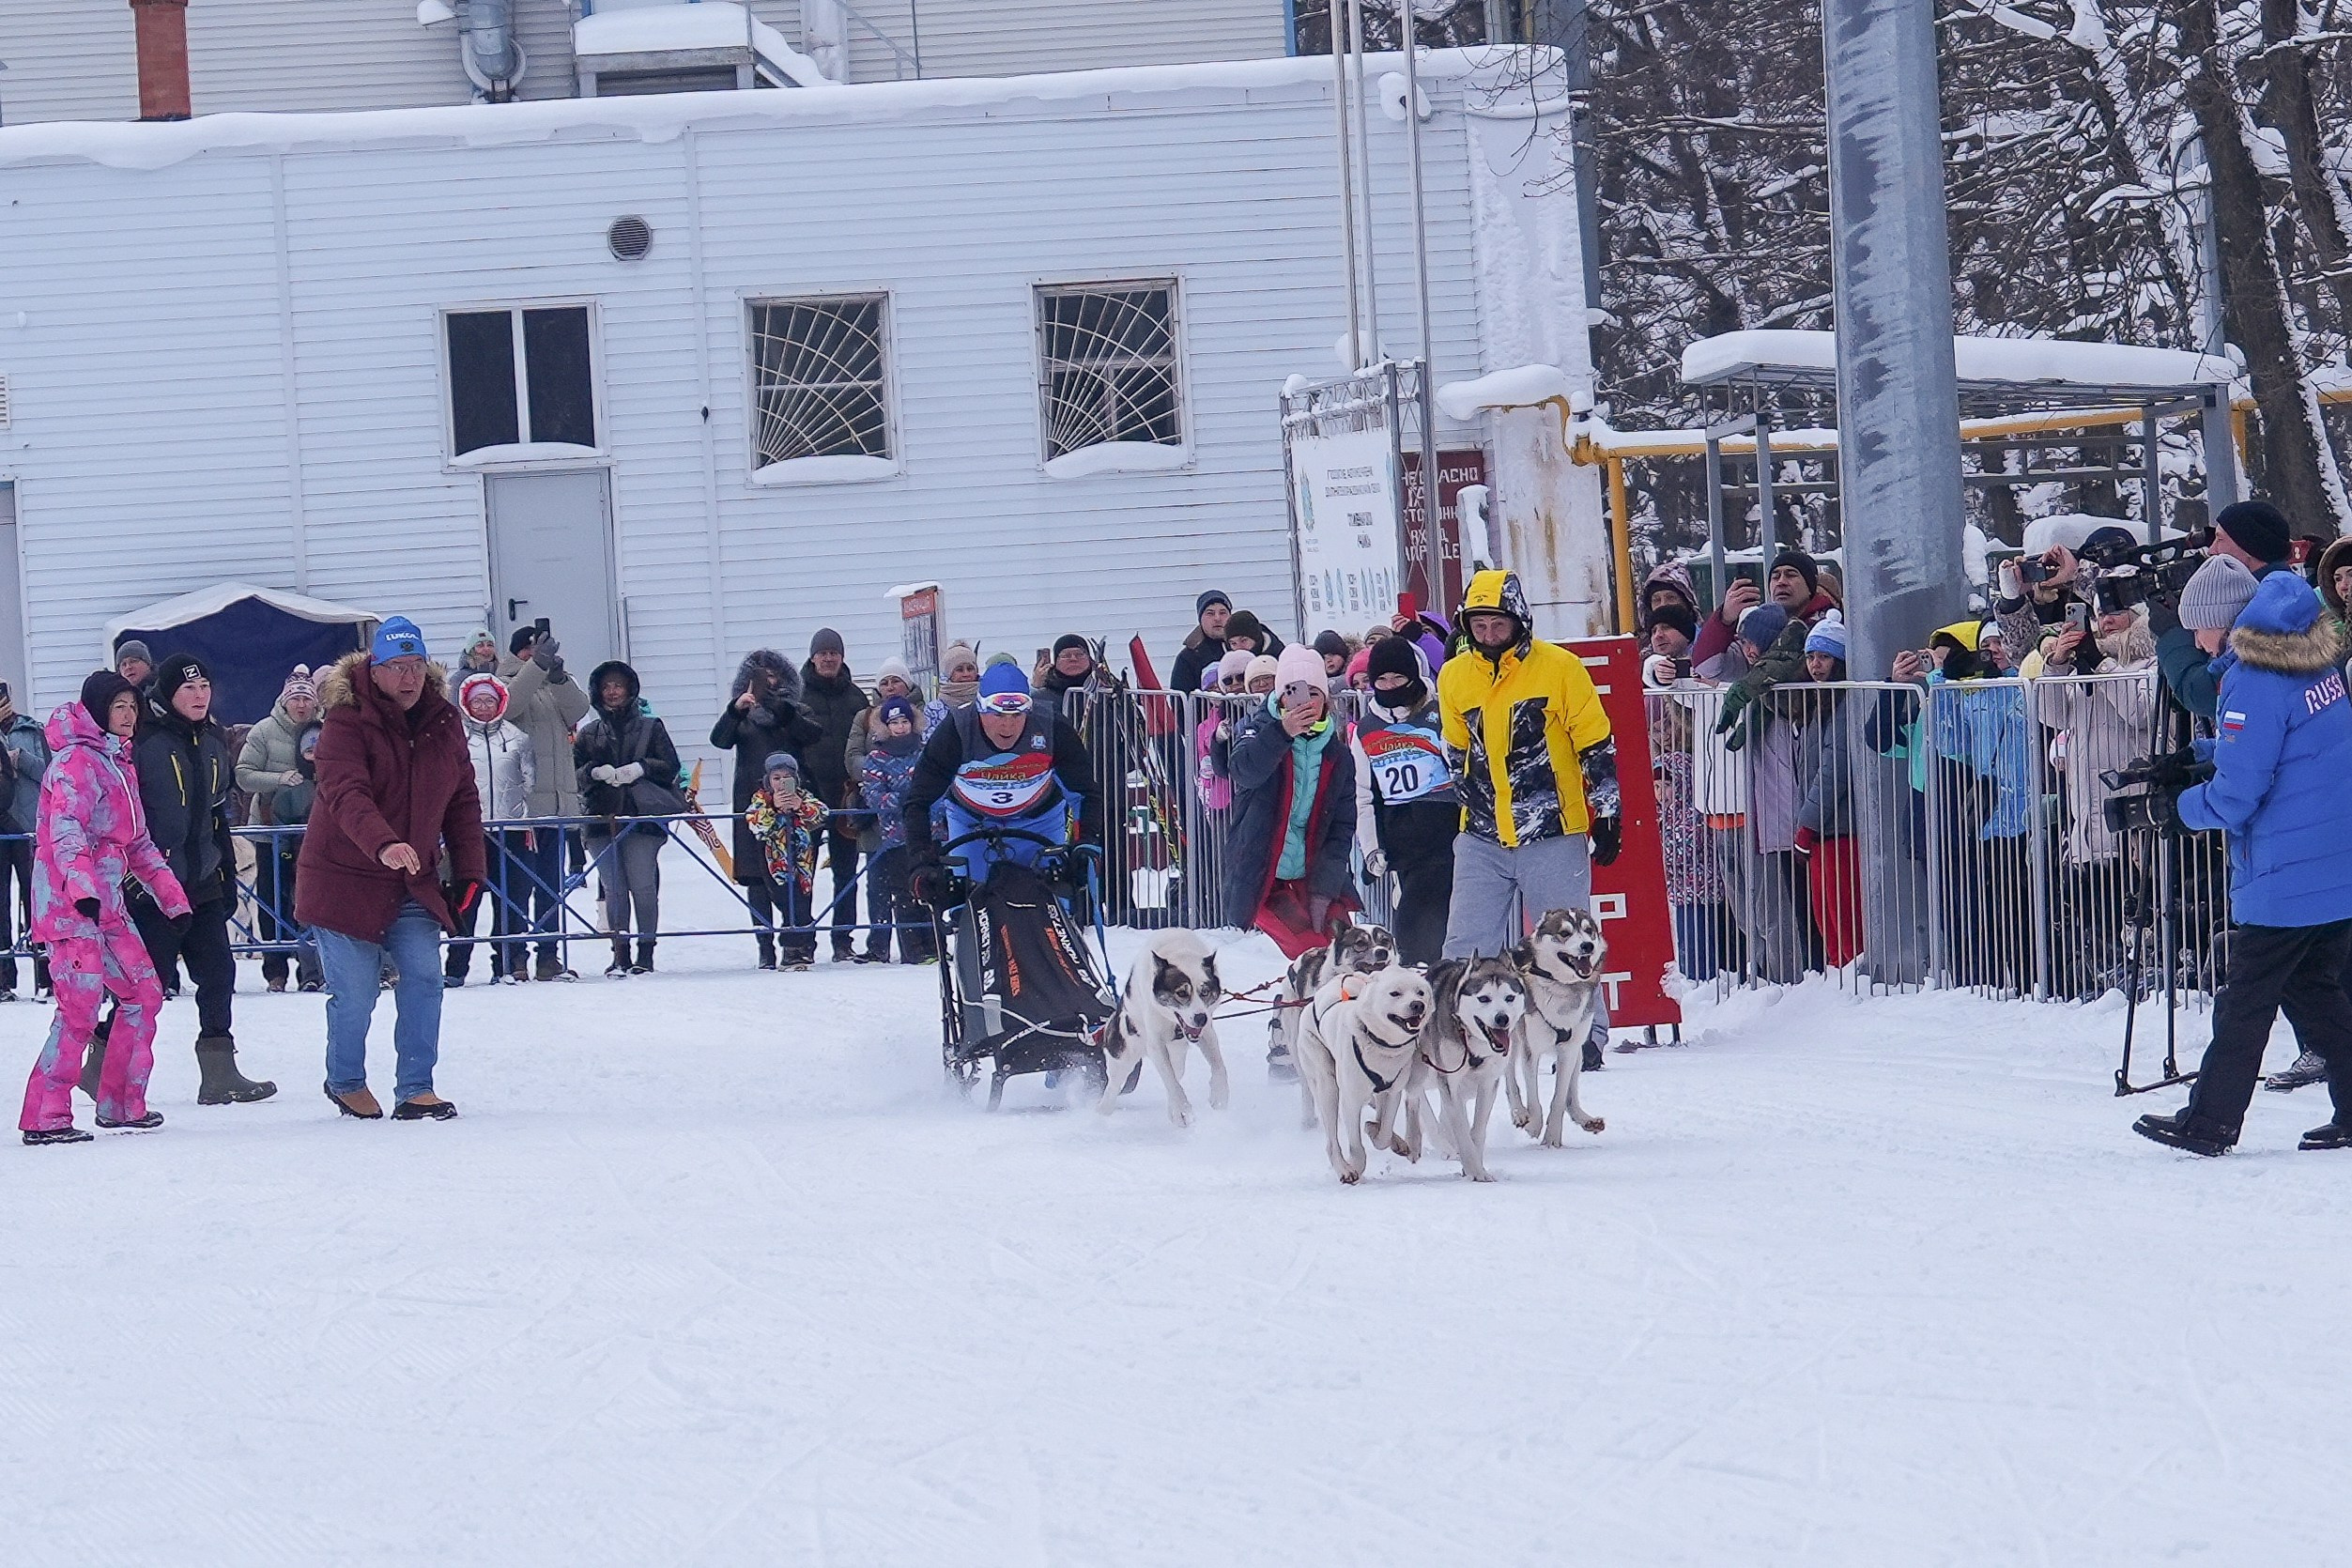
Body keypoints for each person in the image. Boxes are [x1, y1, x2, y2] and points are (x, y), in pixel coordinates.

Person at [2131, 570, 2352, 1155]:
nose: (2195, 640)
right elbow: (2290, 742)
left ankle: (2210, 1122)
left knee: (2244, 1002)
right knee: (2317, 992)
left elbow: (2236, 798)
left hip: (2286, 869)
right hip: (2334, 861)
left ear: (2223, 623)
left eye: (2197, 626)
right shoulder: (2308, 658)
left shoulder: (2253, 680)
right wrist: (2197, 755)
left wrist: (2172, 810)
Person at [300, 617, 484, 1121]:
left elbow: (462, 800)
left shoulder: (444, 722)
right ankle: (346, 1080)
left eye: (417, 666)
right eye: (398, 666)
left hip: (412, 879)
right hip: (343, 879)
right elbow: (344, 792)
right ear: (374, 670)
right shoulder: (344, 721)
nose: (409, 677)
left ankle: (416, 1087)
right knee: (356, 992)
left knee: (425, 977)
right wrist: (382, 844)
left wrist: (470, 872)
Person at [17, 675, 193, 1143]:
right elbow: (66, 833)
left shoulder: (119, 760)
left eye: (132, 705)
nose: (128, 714)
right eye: (118, 706)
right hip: (70, 907)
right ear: (97, 710)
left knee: (144, 993)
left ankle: (121, 1103)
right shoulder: (74, 762)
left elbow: (136, 841)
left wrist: (172, 898)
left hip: (108, 905)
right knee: (79, 1008)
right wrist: (82, 890)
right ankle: (45, 1115)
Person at [1438, 569, 1619, 962]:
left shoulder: (1560, 667)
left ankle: (1589, 1028)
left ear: (1519, 621)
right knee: (1463, 953)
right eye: (1479, 626)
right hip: (1482, 835)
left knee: (1568, 955)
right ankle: (1463, 1026)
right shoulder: (1453, 674)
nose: (1488, 636)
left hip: (1551, 833)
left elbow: (1595, 744)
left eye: (1498, 625)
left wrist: (1607, 811)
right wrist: (1460, 792)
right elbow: (1454, 747)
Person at [128, 653, 276, 1105]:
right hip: (152, 886)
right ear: (168, 694)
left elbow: (217, 814)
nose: (199, 695)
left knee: (218, 976)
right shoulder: (143, 739)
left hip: (204, 880)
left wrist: (225, 871)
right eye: (188, 689)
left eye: (204, 687)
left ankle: (219, 1073)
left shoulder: (213, 737)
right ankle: (105, 1068)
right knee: (145, 986)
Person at [2033, 601, 2158, 1000]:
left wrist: (2099, 667)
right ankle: (2109, 981)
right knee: (2096, 907)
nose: (2106, 620)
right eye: (2101, 613)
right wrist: (2057, 664)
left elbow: (2142, 714)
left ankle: (2151, 979)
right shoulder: (2085, 665)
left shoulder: (2150, 663)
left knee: (2142, 907)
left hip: (2136, 810)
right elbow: (2051, 716)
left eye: (2117, 612)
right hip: (2087, 812)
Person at [906, 662, 1099, 895]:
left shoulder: (1053, 726)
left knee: (1055, 911)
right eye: (997, 714)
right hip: (973, 829)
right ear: (979, 708)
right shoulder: (955, 731)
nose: (1008, 725)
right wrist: (921, 860)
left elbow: (1085, 792)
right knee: (969, 908)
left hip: (1041, 826)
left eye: (1018, 714)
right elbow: (918, 800)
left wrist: (1086, 843)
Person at [1224, 644, 1359, 961]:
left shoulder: (1337, 754)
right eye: (1294, 692)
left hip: (1315, 874)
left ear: (1326, 698)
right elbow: (1243, 771)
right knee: (1312, 955)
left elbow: (1342, 827)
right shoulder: (1257, 729)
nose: (1305, 702)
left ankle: (1321, 1010)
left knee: (1351, 955)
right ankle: (1297, 1008)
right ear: (1281, 697)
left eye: (1314, 692)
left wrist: (1324, 891)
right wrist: (1282, 732)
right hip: (1265, 877)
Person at [710, 648, 822, 970]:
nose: (767, 684)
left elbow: (812, 733)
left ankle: (798, 941)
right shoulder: (741, 716)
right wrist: (735, 711)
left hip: (790, 808)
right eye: (760, 678)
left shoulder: (794, 710)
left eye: (773, 676)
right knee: (756, 879)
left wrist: (779, 708)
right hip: (753, 806)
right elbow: (719, 740)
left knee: (794, 875)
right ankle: (764, 945)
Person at [1351, 635, 1455, 964]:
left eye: (1397, 677)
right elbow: (1362, 795)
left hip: (1446, 836)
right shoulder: (1366, 729)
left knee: (1428, 930)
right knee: (1413, 931)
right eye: (1381, 679)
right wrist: (1371, 850)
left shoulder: (1438, 714)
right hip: (1402, 847)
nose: (1390, 685)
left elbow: (1462, 768)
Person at [575, 659, 682, 977]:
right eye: (606, 687)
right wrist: (594, 772)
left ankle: (646, 953)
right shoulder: (589, 733)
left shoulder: (652, 727)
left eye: (617, 685)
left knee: (642, 884)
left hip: (641, 819)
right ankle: (620, 952)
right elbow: (574, 773)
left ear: (630, 689)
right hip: (600, 818)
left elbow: (671, 767)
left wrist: (642, 768)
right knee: (613, 887)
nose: (612, 692)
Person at [500, 625, 592, 981]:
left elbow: (578, 709)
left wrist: (557, 675)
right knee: (517, 887)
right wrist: (536, 668)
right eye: (532, 650)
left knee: (552, 886)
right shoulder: (503, 680)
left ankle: (549, 955)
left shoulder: (552, 681)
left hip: (556, 803)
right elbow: (508, 708)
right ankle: (514, 957)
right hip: (522, 807)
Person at [2153, 499, 2298, 720]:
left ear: (2250, 548)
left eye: (2220, 539)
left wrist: (2173, 634)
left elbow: (2205, 694)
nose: (2212, 550)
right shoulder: (2291, 594)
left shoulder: (2263, 611)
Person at [445, 672, 535, 987]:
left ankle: (510, 962)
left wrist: (522, 818)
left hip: (511, 829)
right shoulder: (455, 737)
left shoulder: (518, 738)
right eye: (478, 700)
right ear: (467, 703)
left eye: (489, 700)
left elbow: (529, 782)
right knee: (466, 900)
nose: (483, 706)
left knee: (512, 900)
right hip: (470, 831)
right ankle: (456, 965)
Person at [236, 666, 319, 993]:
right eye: (295, 699)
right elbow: (243, 774)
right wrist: (278, 779)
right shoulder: (263, 731)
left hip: (313, 828)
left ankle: (311, 969)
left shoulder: (321, 729)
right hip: (271, 828)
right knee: (272, 898)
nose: (301, 705)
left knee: (309, 897)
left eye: (307, 699)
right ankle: (275, 970)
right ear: (284, 702)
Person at [1791, 614, 1862, 969]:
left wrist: (1808, 821)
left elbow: (1835, 768)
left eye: (1824, 657)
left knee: (1844, 917)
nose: (1816, 665)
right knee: (1827, 918)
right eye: (1810, 657)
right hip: (1823, 831)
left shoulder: (1844, 704)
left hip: (1840, 829)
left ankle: (1854, 983)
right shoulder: (1815, 705)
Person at [800, 629, 871, 964]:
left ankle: (843, 938)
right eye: (823, 653)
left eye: (834, 653)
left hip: (846, 798)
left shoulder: (857, 698)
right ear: (812, 657)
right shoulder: (796, 695)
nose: (828, 659)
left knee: (846, 873)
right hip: (806, 798)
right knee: (804, 873)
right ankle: (802, 938)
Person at [858, 695, 933, 963]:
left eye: (904, 721)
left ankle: (934, 945)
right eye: (894, 722)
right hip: (897, 837)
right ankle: (912, 949)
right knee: (904, 892)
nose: (900, 727)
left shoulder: (926, 752)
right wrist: (905, 798)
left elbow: (940, 787)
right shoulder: (877, 759)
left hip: (930, 832)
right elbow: (874, 797)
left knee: (931, 887)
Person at [747, 753, 829, 969]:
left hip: (802, 860)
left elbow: (821, 814)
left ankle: (803, 946)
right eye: (776, 778)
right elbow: (756, 823)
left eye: (787, 777)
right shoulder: (761, 799)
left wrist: (800, 806)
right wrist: (774, 808)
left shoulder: (803, 795)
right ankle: (792, 947)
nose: (781, 783)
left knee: (802, 902)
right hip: (775, 861)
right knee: (787, 902)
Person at [0, 681, 53, 1002]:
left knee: (39, 901)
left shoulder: (31, 730)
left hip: (31, 827)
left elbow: (52, 771)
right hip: (1, 827)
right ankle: (4, 978)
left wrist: (22, 761)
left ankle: (47, 975)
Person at [1169, 590, 1233, 698]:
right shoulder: (1188, 657)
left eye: (1223, 613)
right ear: (1200, 619)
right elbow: (1180, 702)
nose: (1217, 618)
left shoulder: (1245, 646)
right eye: (1210, 613)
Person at [927, 642, 981, 733]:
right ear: (949, 673)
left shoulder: (985, 702)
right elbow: (929, 742)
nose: (966, 674)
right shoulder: (935, 709)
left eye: (970, 669)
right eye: (959, 670)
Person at [1220, 609, 1286, 660]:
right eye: (1234, 643)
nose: (1239, 648)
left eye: (1244, 641)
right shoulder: (1223, 666)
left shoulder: (1281, 659)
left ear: (1257, 639)